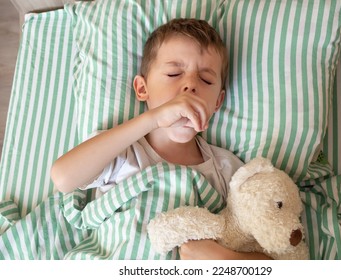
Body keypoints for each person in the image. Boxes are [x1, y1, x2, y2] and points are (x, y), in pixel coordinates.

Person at [51, 18, 272, 260]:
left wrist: (221, 257)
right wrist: (152, 119)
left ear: (217, 102)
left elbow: (268, 253)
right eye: (174, 73)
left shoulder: (226, 169)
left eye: (206, 80)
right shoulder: (124, 151)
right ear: (142, 89)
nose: (190, 85)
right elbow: (63, 178)